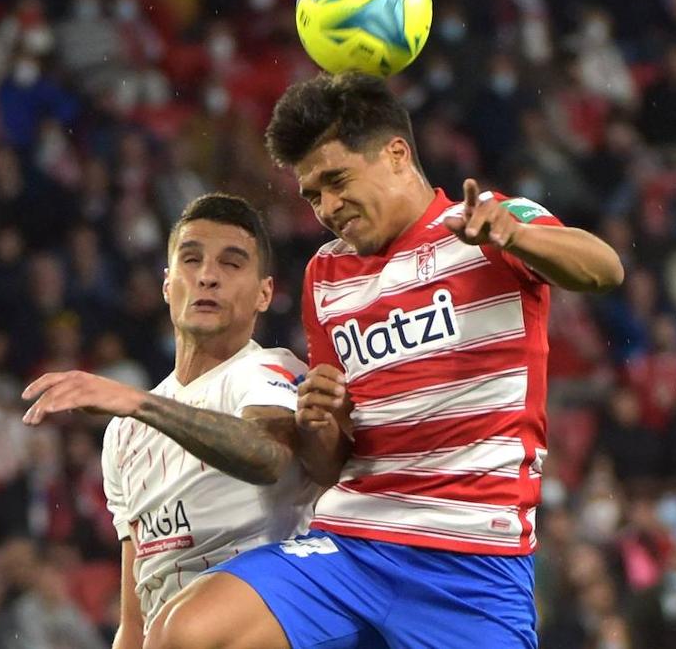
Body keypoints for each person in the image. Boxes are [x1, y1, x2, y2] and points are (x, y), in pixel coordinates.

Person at [145, 73, 624, 649]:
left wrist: (516, 237)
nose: (327, 207)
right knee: (183, 633)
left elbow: (604, 269)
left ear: (396, 155)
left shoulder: (489, 223)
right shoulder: (326, 274)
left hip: (471, 570)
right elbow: (329, 464)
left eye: (337, 181)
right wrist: (322, 422)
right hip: (351, 550)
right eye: (313, 195)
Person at [20, 193, 317, 647]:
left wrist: (139, 403)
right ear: (167, 284)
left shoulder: (270, 370)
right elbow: (135, 617)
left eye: (231, 263)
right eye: (191, 260)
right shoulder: (123, 432)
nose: (208, 276)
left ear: (265, 293)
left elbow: (268, 455)